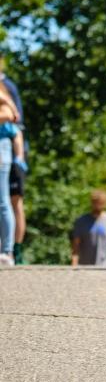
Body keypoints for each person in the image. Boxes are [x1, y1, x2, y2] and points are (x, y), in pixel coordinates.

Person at [0, 59, 27, 265]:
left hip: (9, 148)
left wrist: (20, 158)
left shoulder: (6, 86)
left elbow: (14, 117)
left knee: (12, 200)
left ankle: (13, 251)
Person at [70, 189, 106, 267]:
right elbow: (76, 245)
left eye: (101, 203)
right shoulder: (81, 221)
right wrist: (74, 264)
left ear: (105, 203)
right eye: (96, 203)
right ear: (92, 203)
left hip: (105, 265)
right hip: (85, 265)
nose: (98, 206)